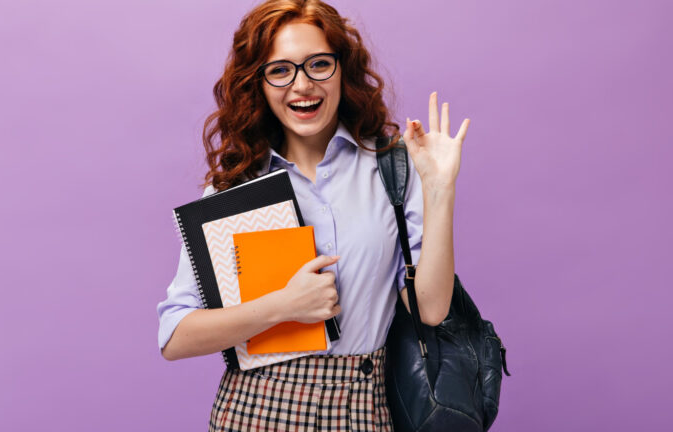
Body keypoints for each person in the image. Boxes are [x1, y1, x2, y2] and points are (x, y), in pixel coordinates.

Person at [157, 0, 470, 430]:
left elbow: (430, 309)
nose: (302, 85)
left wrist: (440, 189)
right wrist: (282, 306)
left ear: (344, 69)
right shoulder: (234, 189)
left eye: (319, 64)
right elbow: (174, 336)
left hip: (362, 408)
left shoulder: (391, 170)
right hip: (255, 410)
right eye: (281, 70)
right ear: (259, 84)